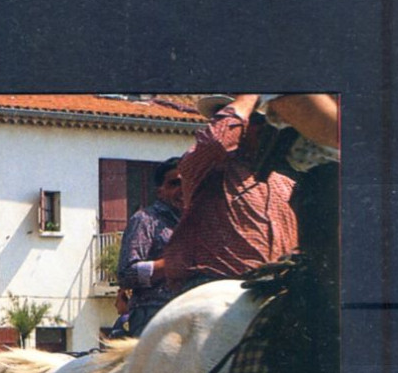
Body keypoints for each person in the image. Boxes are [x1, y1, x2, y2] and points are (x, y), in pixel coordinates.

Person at [162, 94, 298, 296]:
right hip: (213, 287)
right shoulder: (206, 169)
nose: (239, 123)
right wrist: (249, 98)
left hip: (272, 290)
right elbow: (216, 143)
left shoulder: (284, 183)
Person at [115, 156, 183, 335]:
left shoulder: (197, 222)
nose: (182, 189)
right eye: (175, 183)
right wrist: (172, 264)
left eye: (187, 182)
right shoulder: (144, 220)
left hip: (189, 310)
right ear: (160, 191)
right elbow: (126, 273)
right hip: (153, 314)